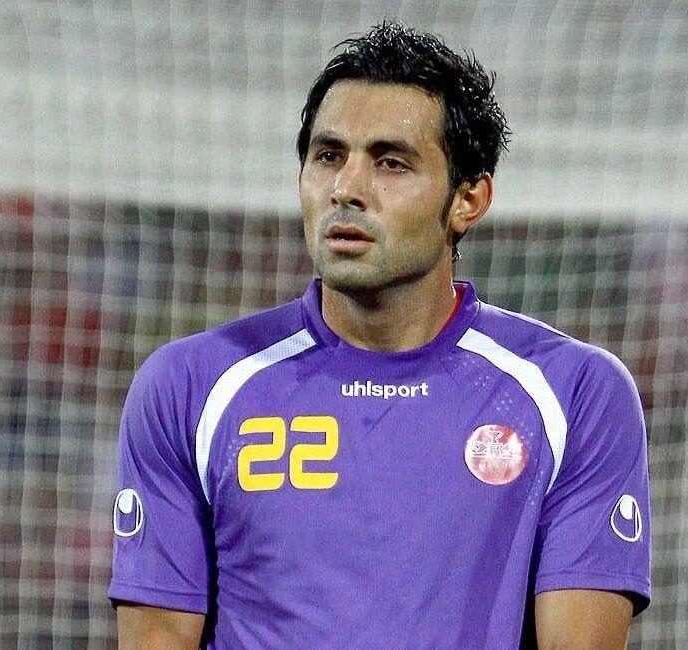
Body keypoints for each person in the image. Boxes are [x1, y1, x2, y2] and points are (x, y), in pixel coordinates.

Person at [109, 21, 651, 649]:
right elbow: (158, 637)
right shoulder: (190, 386)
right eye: (328, 156)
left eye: (391, 163)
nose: (347, 189)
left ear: (468, 199)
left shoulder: (574, 392)